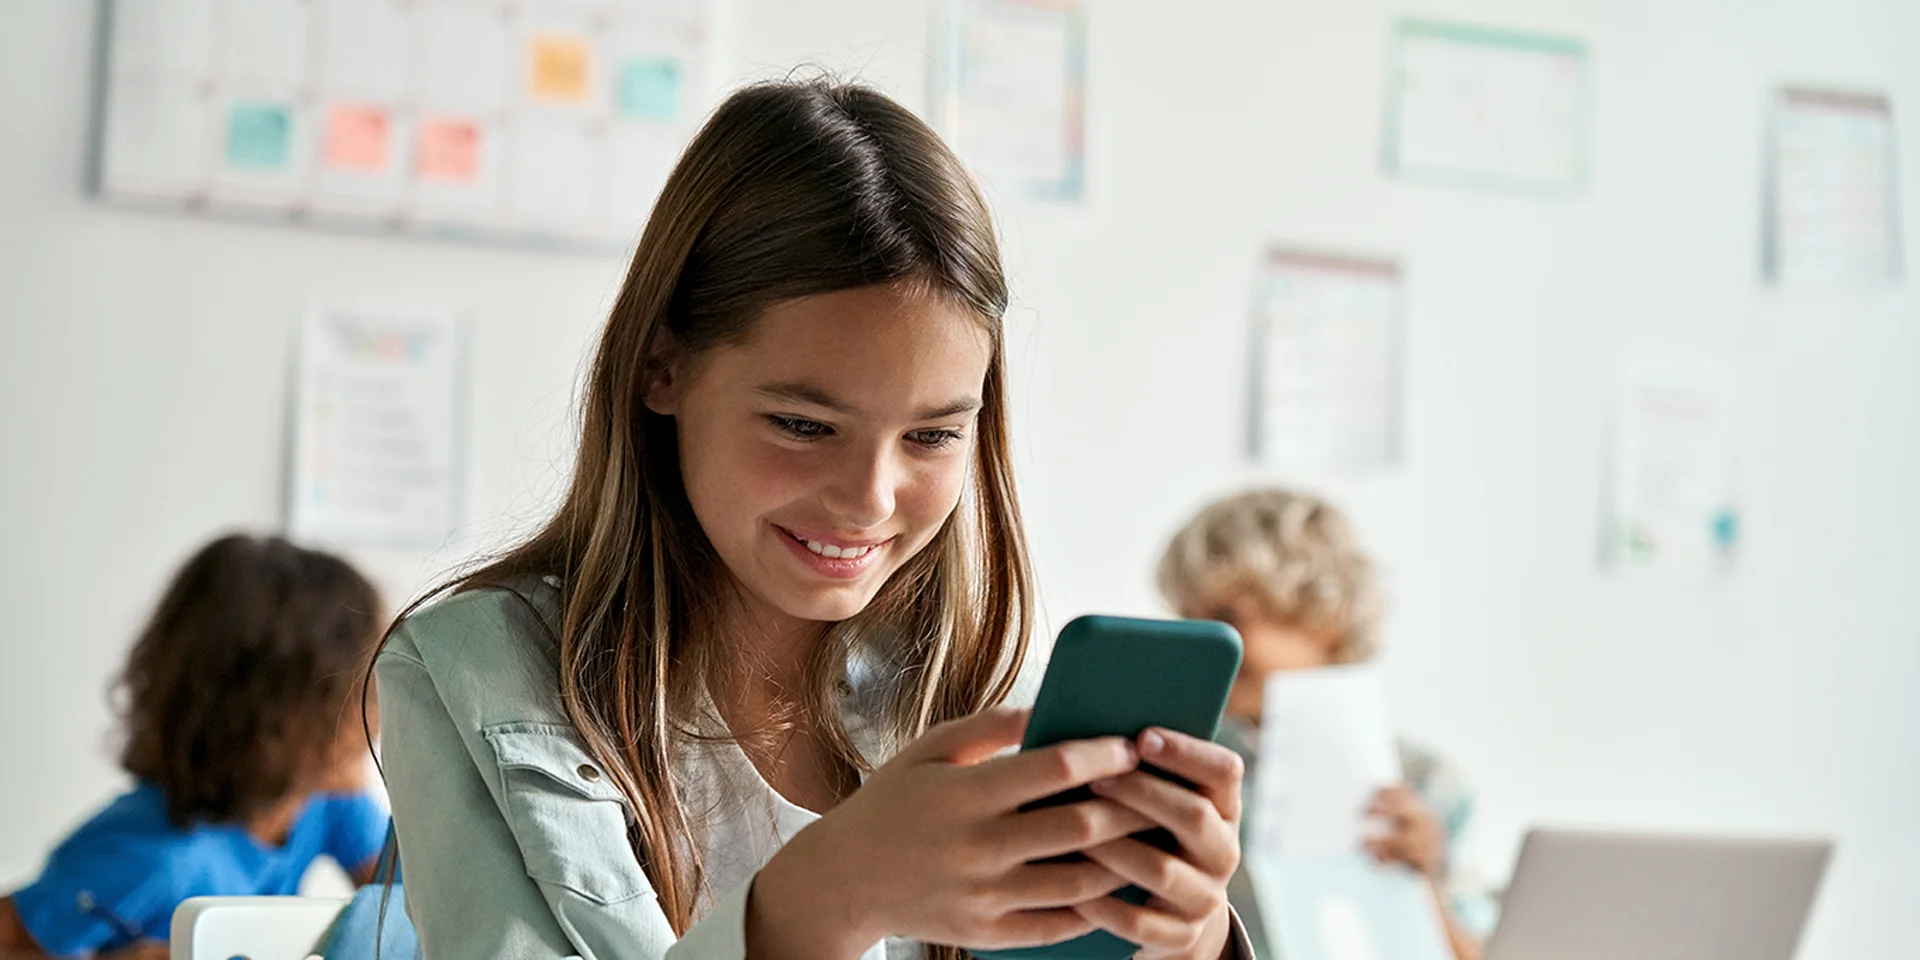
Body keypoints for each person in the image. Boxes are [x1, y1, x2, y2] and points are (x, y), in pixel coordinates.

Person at [376, 78, 1254, 960]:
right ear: (661, 369)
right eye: (803, 426)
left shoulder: (995, 697)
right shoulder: (474, 673)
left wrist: (1188, 939)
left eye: (933, 434)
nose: (871, 498)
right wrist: (828, 892)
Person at [0, 534, 391, 959]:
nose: (382, 707)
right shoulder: (150, 856)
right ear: (274, 719)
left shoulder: (326, 802)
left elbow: (416, 914)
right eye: (360, 688)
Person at [1157, 488, 1497, 960]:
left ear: (1324, 618)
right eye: (1186, 618)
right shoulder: (1180, 762)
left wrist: (1426, 880)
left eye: (1224, 618)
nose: (1202, 642)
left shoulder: (1425, 785)